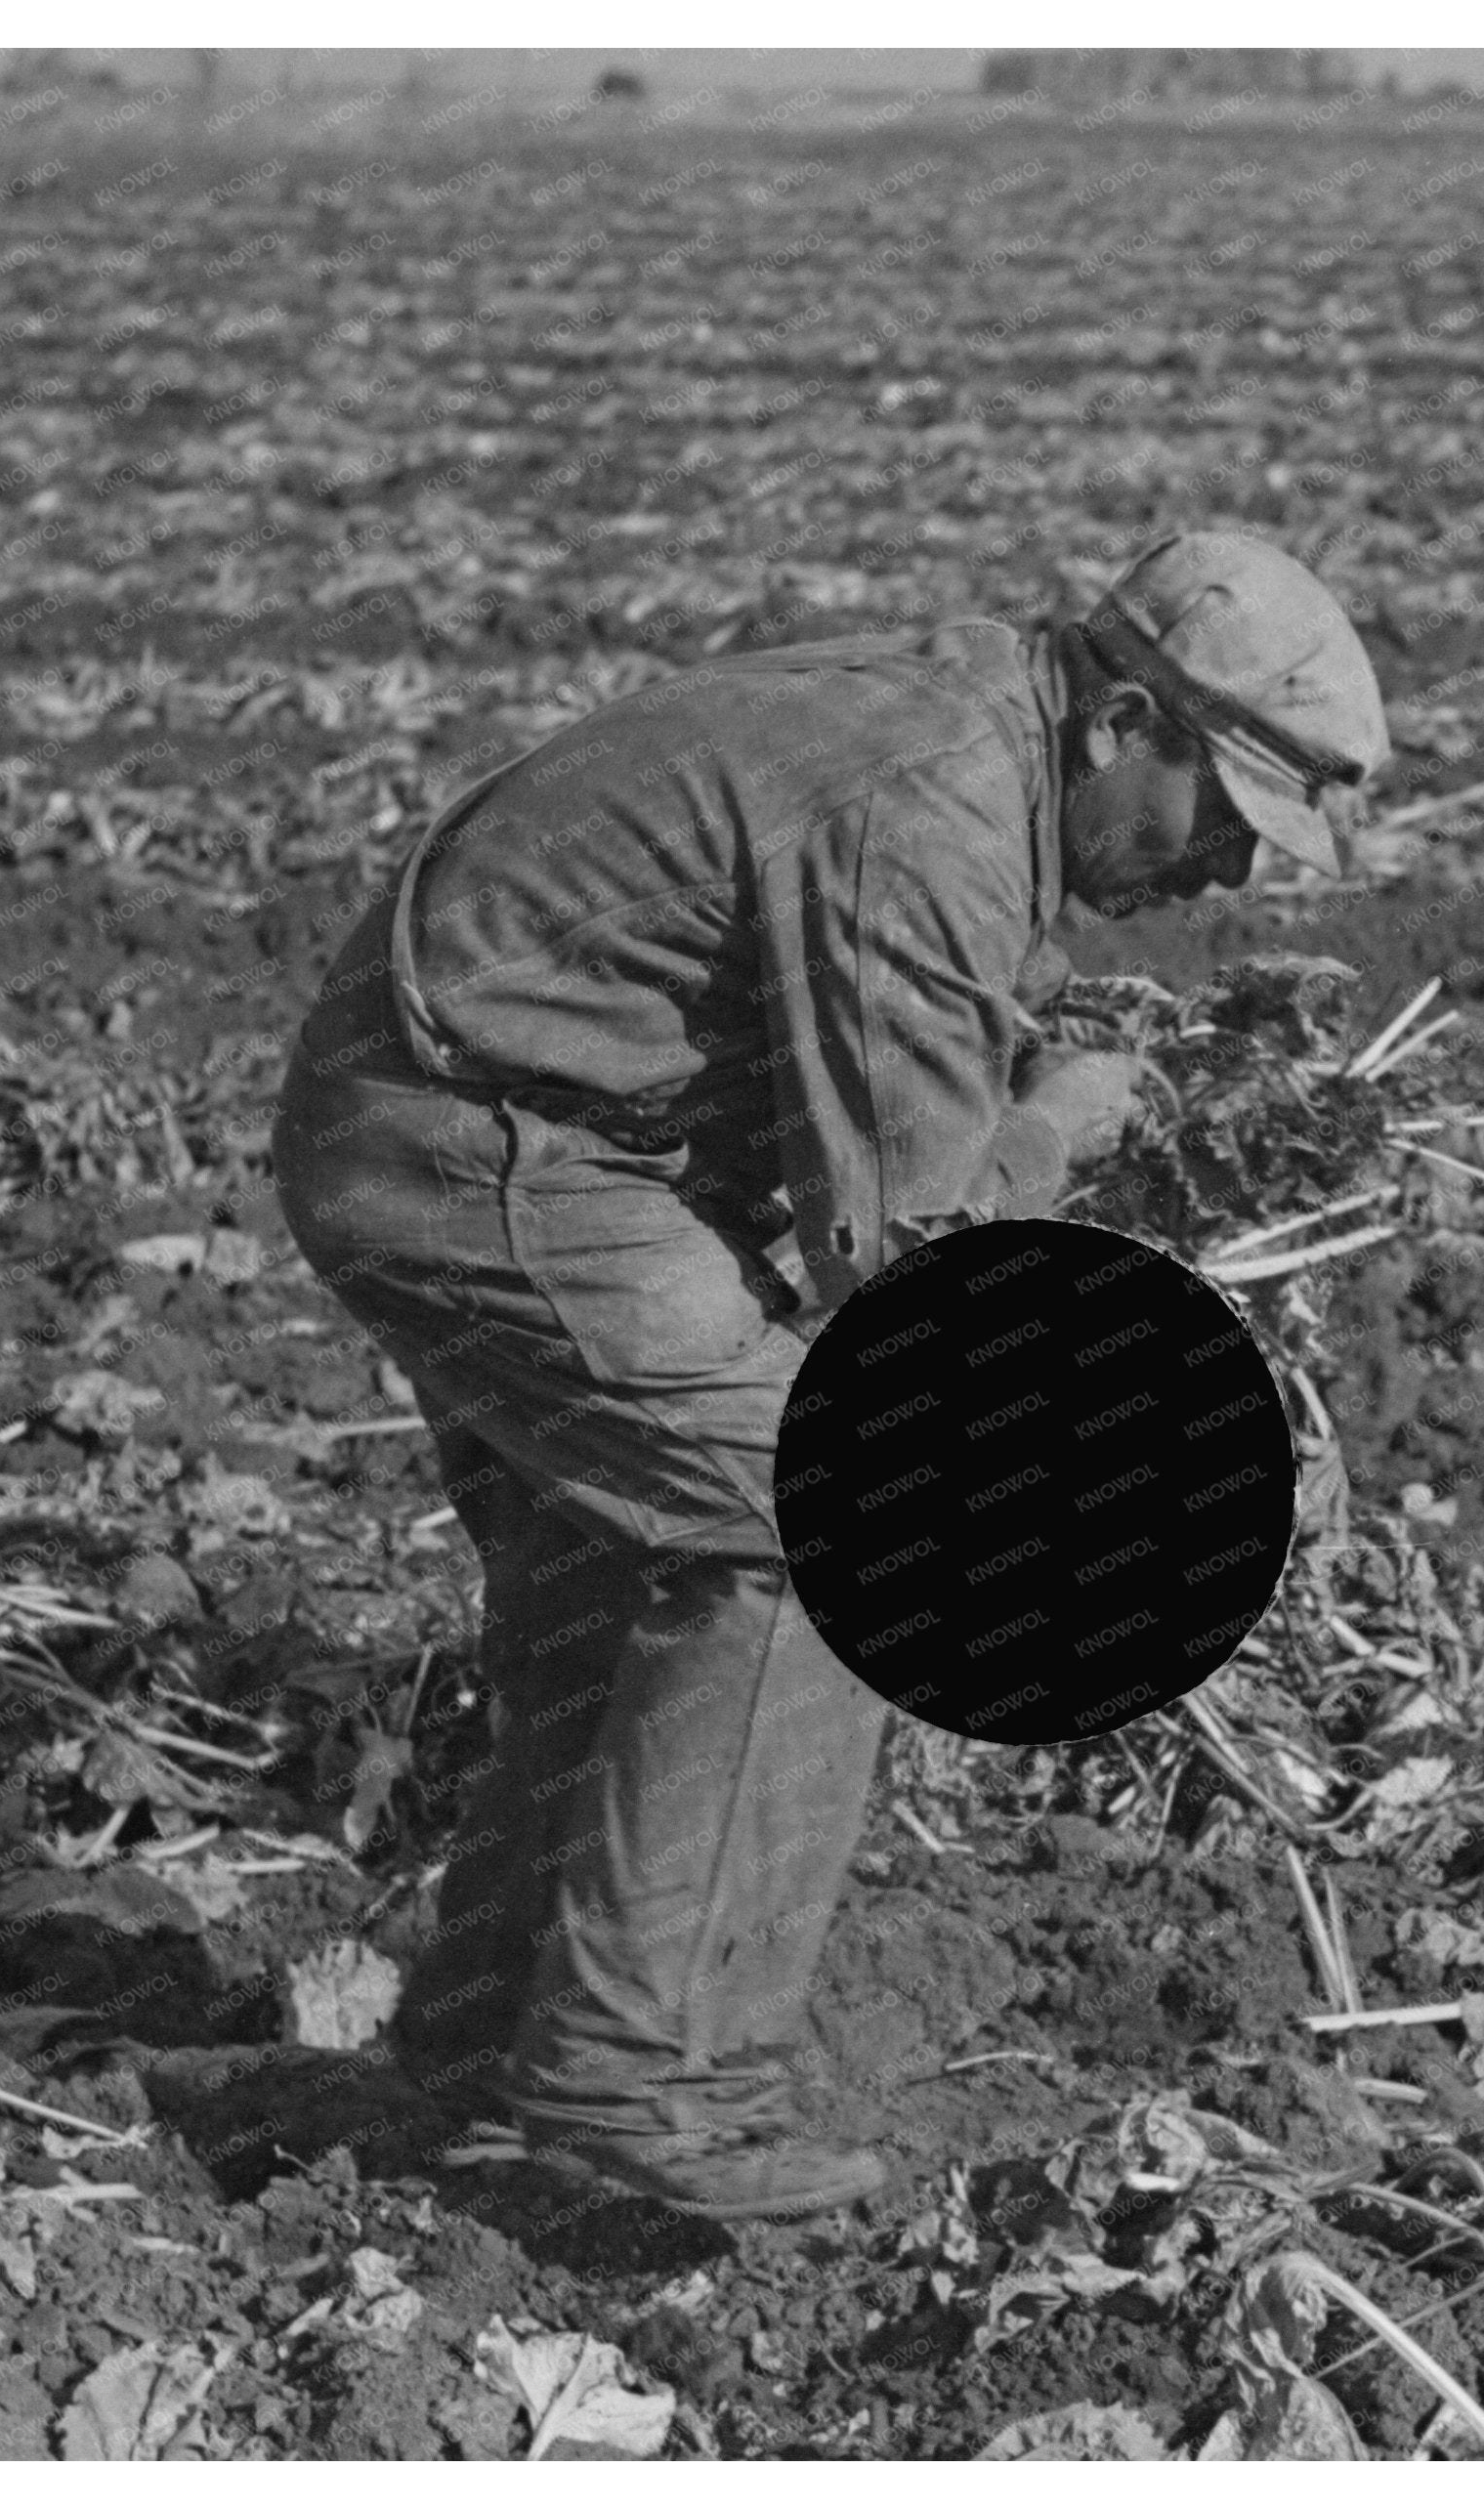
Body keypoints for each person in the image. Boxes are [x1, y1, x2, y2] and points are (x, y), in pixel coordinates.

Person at [270, 531, 1389, 2220]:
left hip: (492, 1120)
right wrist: (1057, 1130)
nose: (1228, 874)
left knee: (615, 1581)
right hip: (481, 1146)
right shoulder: (932, 800)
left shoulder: (966, 742)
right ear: (1123, 725)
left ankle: (492, 2051)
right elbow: (910, 1270)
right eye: (1226, 816)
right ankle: (650, 2081)